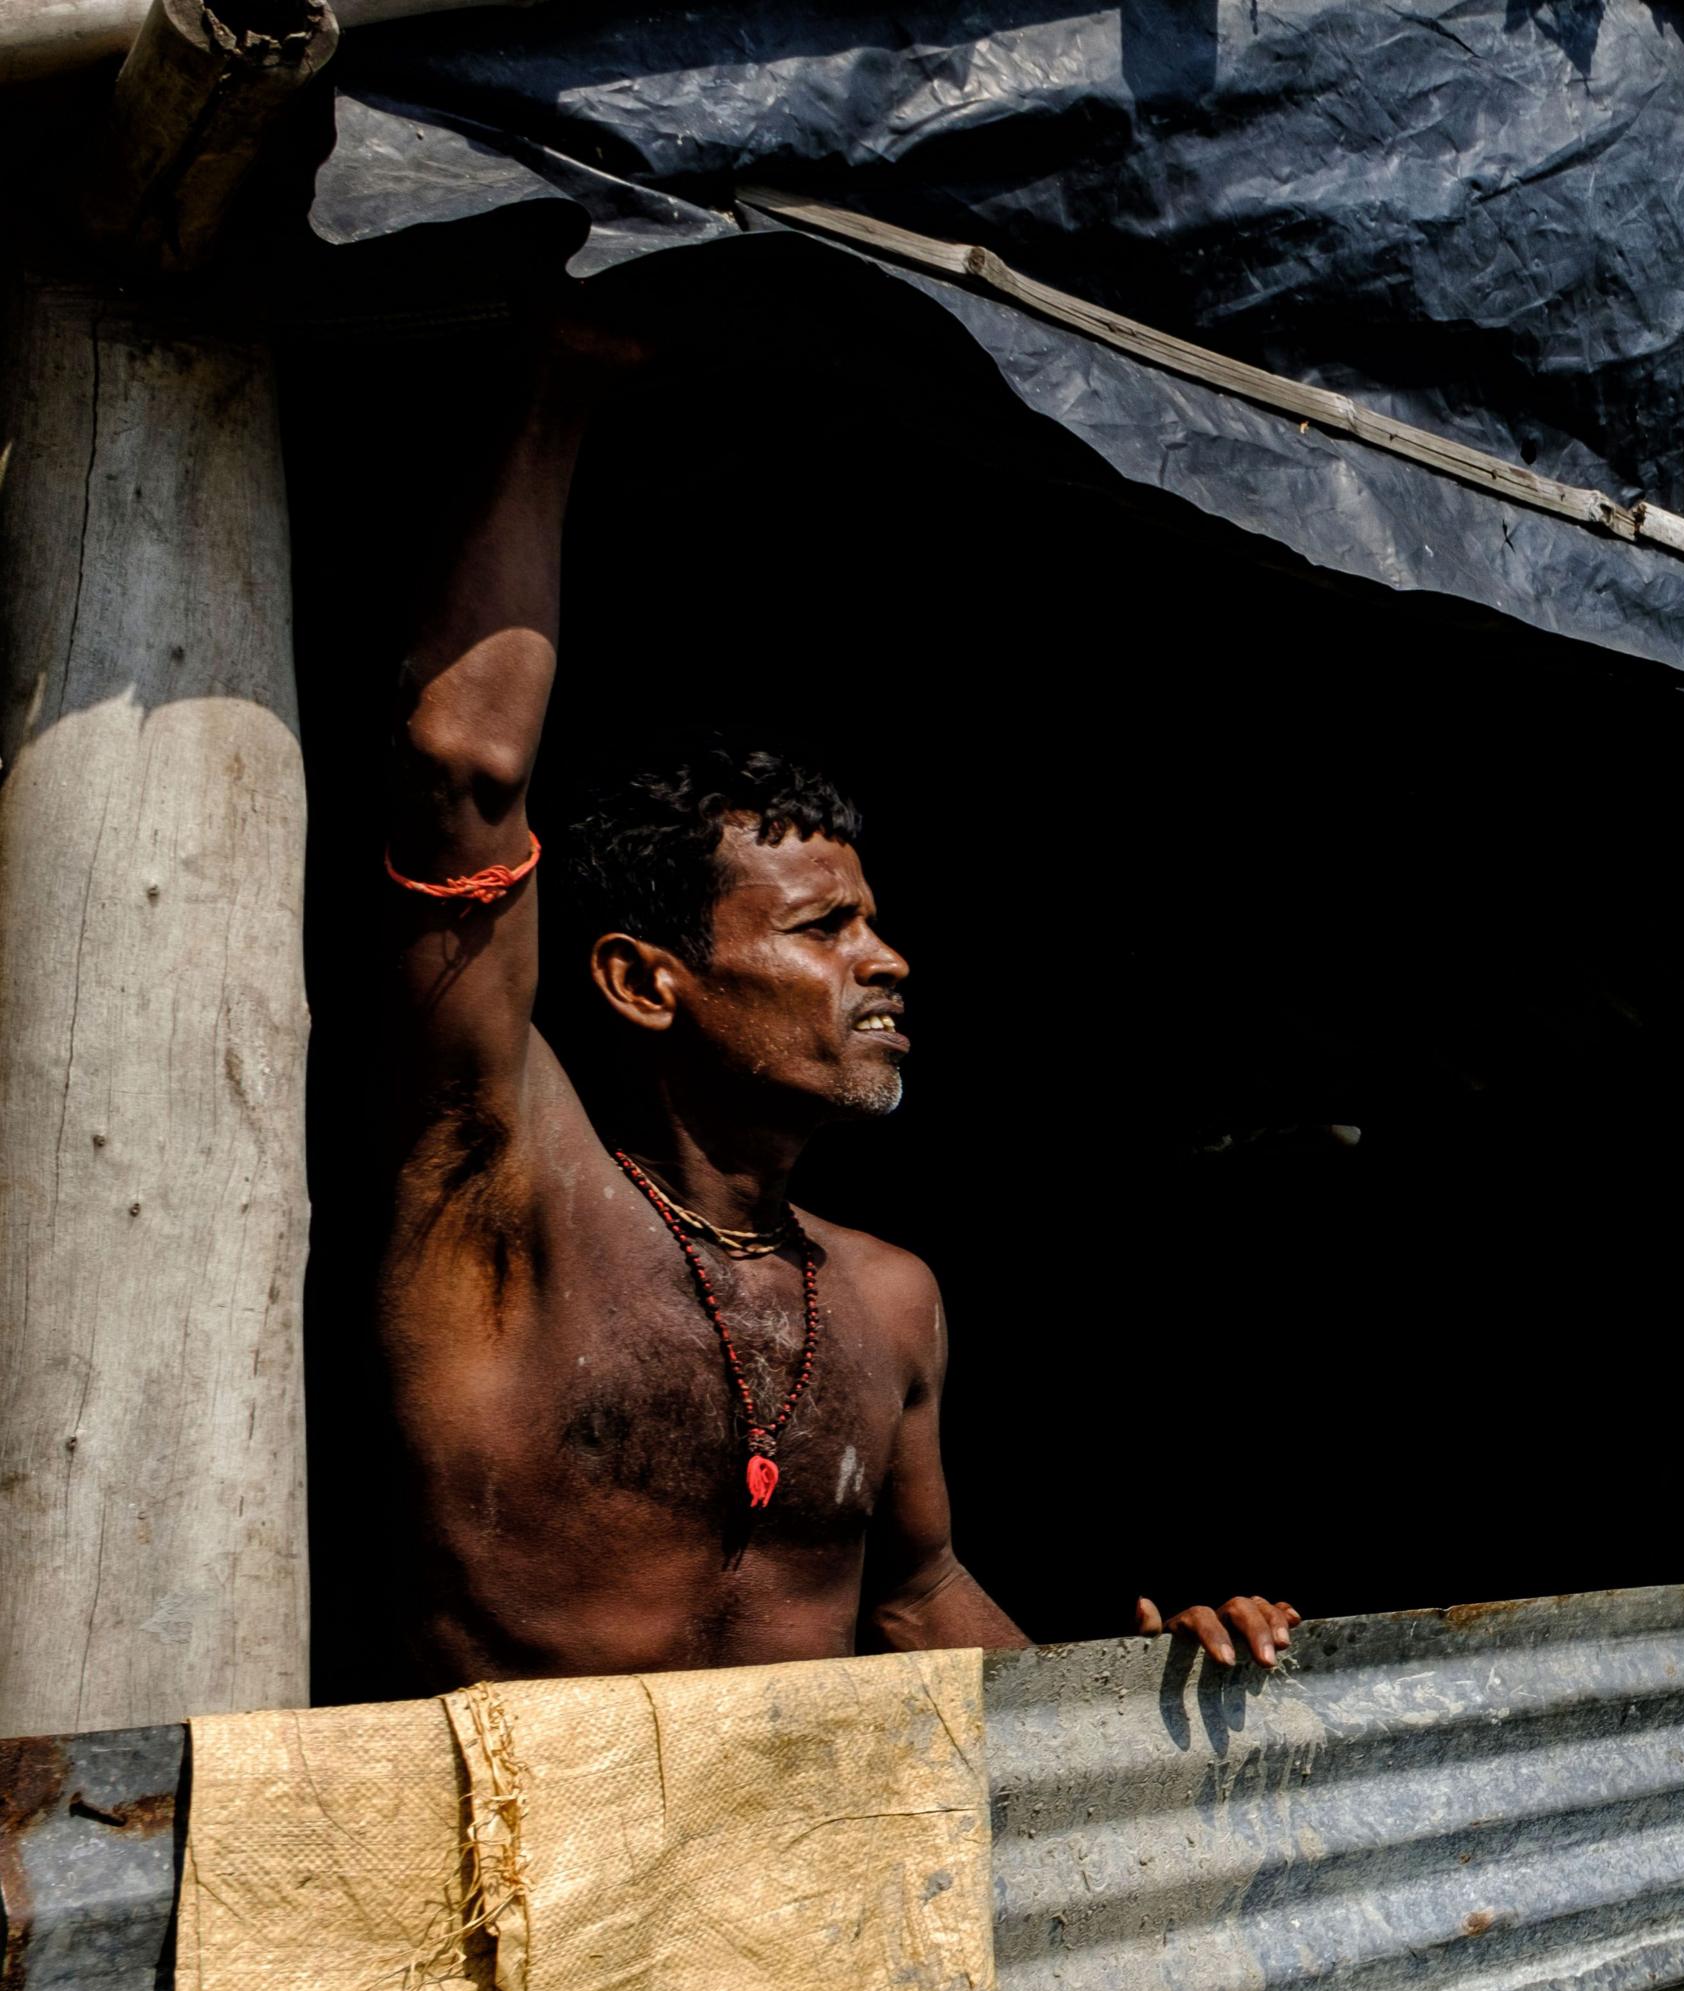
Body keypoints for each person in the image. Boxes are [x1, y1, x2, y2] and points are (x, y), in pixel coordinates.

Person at [374, 322, 1292, 1681]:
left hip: (813, 1881)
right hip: (531, 1872)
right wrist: (561, 386)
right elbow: (460, 769)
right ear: (643, 982)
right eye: (826, 927)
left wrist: (1139, 1700)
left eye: (876, 922)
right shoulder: (506, 1186)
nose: (890, 960)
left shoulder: (889, 1299)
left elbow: (916, 1599)